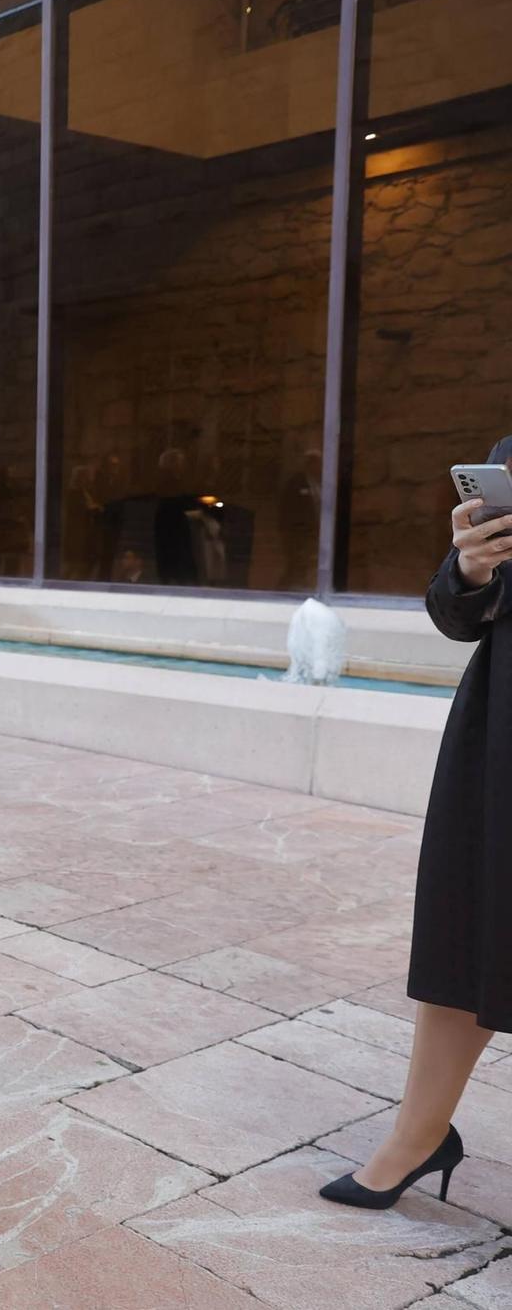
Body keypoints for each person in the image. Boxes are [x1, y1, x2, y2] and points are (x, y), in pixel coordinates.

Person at [319, 437, 512, 1210]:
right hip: (503, 726)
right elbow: (454, 614)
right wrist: (470, 563)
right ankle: (420, 1134)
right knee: (468, 930)